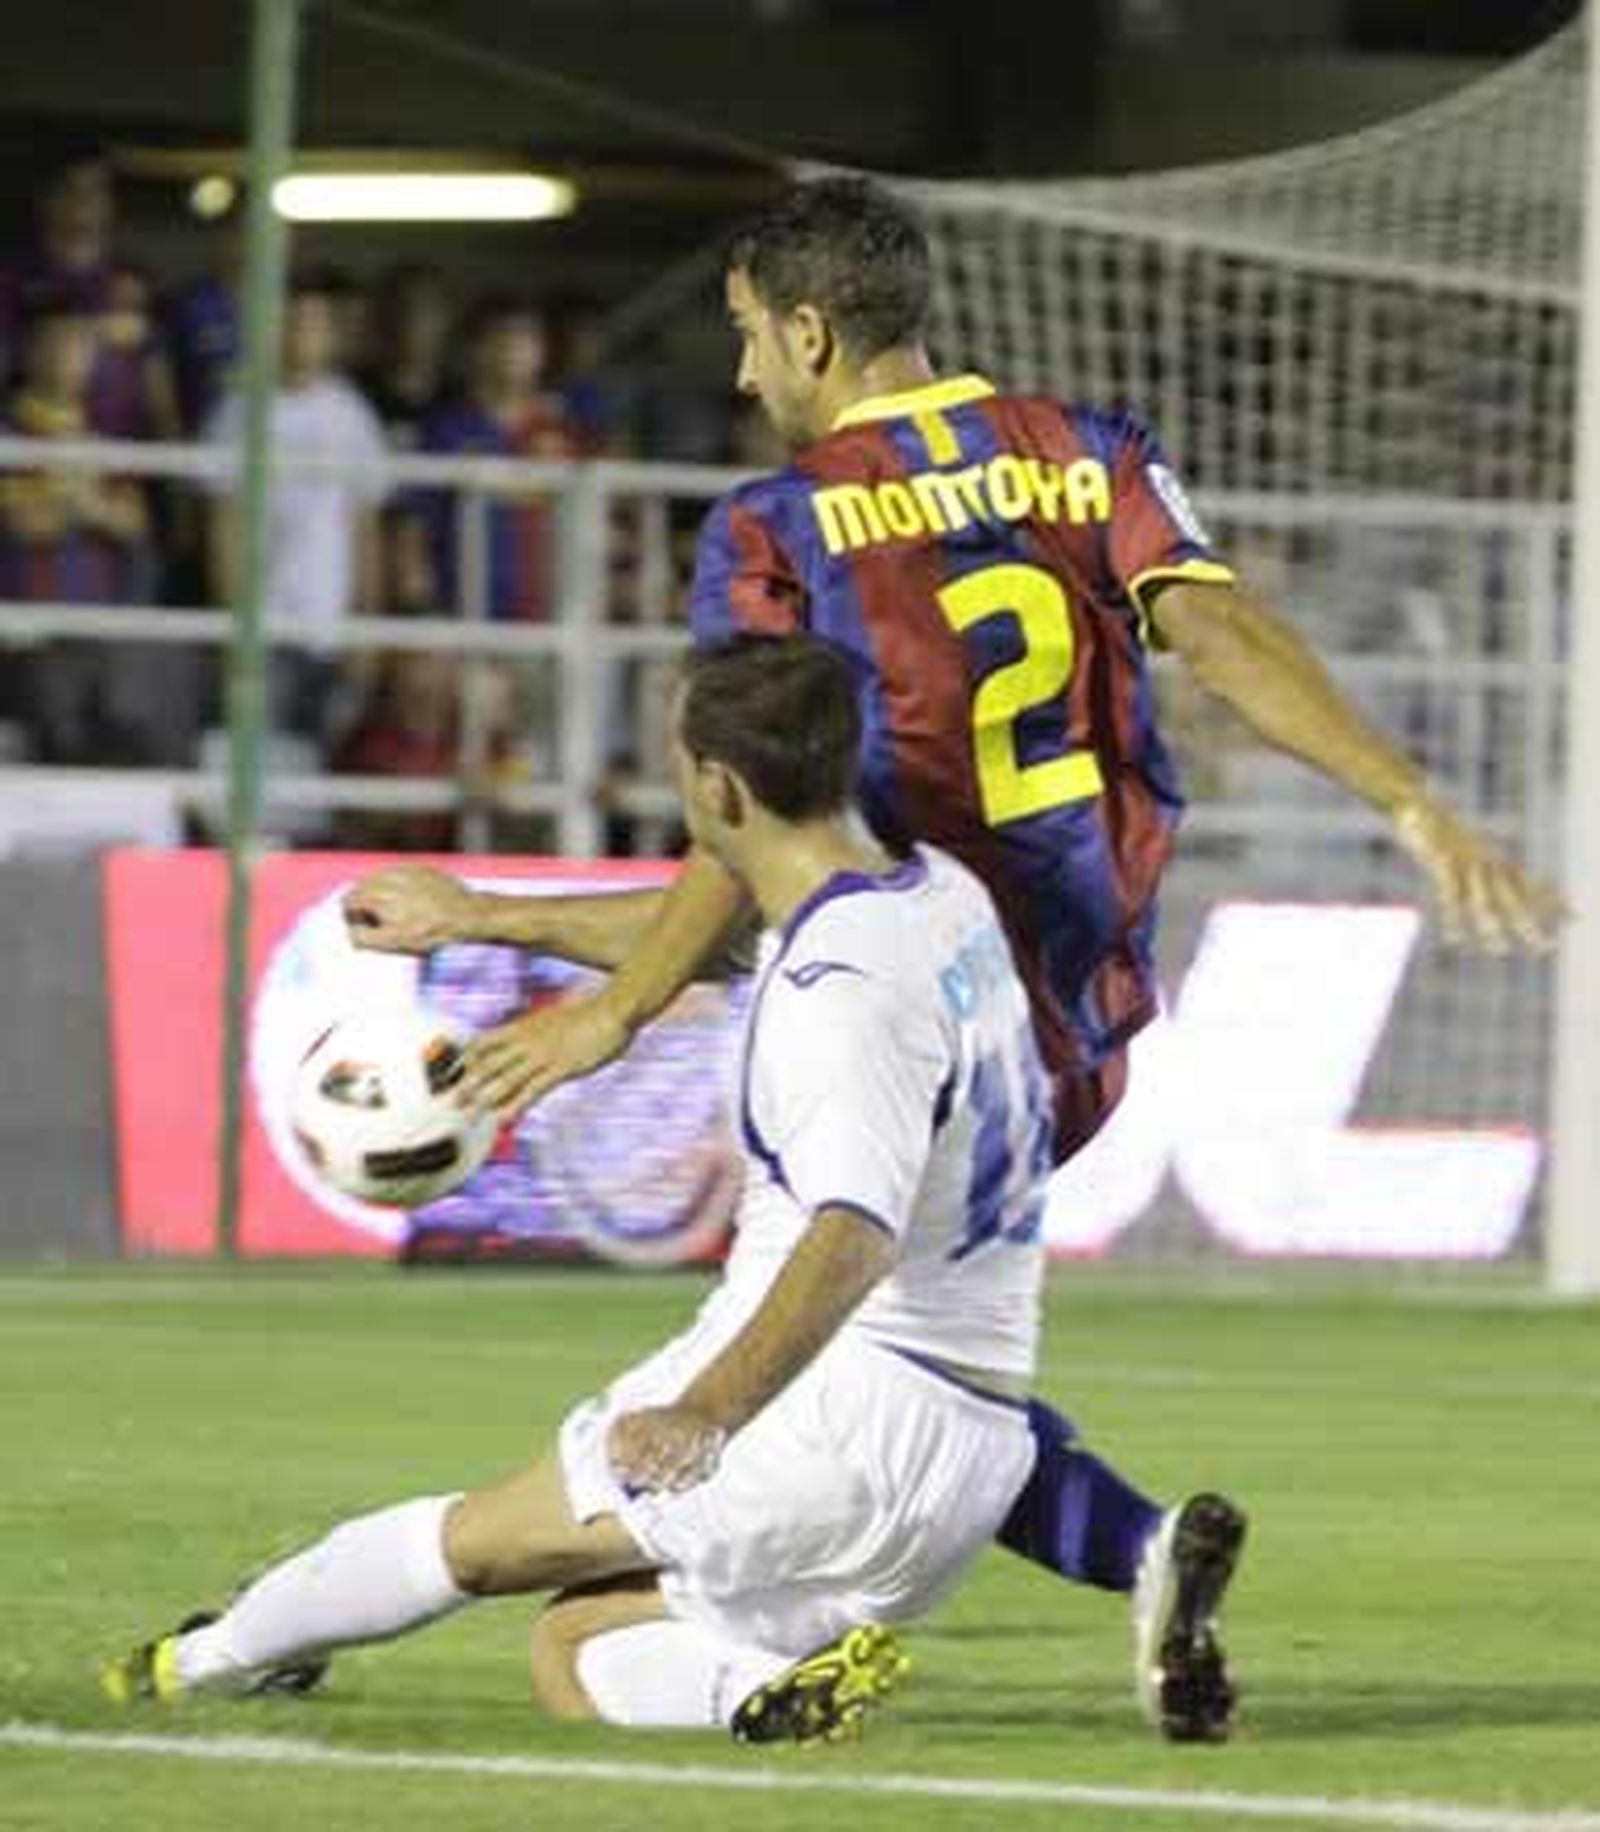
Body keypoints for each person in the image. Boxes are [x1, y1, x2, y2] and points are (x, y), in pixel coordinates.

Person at [343, 177, 1563, 1738]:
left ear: (807, 328)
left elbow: (746, 846)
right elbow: (1226, 635)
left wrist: (612, 1006)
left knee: (832, 1404)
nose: (742, 379)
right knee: (914, 1359)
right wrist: (1409, 803)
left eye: (745, 340)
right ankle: (1133, 1550)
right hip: (1079, 1008)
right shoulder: (1091, 449)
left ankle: (658, 1620)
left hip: (910, 996)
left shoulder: (775, 527)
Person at [105, 634, 1232, 1743]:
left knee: (478, 1542)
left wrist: (709, 1409)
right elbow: (721, 937)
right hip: (977, 1449)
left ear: (719, 784)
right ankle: (758, 1681)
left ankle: (197, 1657)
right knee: (581, 1642)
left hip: (825, 1415)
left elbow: (850, 1230)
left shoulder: (836, 992)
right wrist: (482, 911)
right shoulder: (935, 897)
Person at [201, 268, 389, 745]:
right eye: (291, 321)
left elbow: (365, 527)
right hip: (263, 624)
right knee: (258, 753)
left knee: (324, 760)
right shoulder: (238, 410)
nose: (301, 333)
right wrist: (235, 621)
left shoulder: (352, 414)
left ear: (331, 335)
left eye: (313, 323)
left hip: (329, 622)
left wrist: (366, 624)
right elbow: (222, 527)